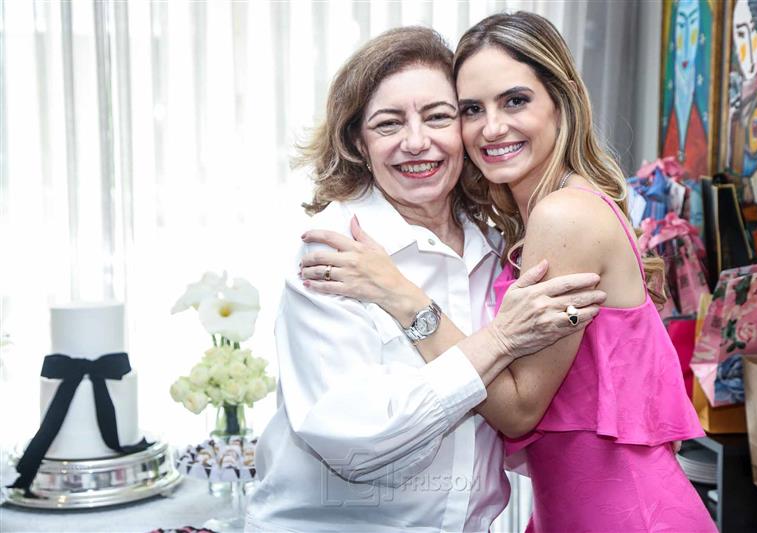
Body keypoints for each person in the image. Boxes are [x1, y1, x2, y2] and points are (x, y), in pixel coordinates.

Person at [300, 13, 717, 533]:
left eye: (515, 101)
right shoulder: (515, 227)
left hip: (627, 515)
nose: (491, 128)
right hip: (574, 511)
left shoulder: (564, 216)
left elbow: (518, 409)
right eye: (471, 109)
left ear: (562, 102)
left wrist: (402, 295)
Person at [245, 26, 606, 533]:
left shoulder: (497, 247)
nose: (416, 143)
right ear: (358, 142)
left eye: (439, 116)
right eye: (388, 124)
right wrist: (499, 340)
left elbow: (524, 417)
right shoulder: (336, 250)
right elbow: (357, 444)